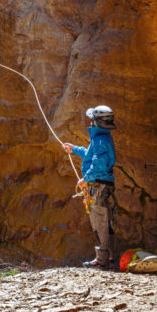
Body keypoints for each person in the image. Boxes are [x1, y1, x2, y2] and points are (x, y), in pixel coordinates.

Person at [63, 106, 117, 270]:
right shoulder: (102, 138)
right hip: (103, 184)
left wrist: (85, 180)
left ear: (96, 121)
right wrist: (75, 149)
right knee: (105, 220)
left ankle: (102, 260)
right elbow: (92, 155)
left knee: (99, 221)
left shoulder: (100, 139)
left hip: (98, 186)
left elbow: (98, 163)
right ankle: (109, 257)